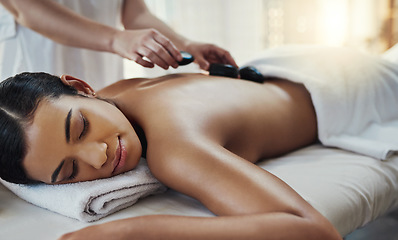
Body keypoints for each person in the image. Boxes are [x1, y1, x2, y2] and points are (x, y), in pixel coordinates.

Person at [7, 44, 398, 239]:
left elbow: (313, 230)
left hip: (347, 87)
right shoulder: (112, 95)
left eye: (80, 129)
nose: (100, 155)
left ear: (80, 87)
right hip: (293, 65)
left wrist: (132, 231)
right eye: (71, 170)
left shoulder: (174, 149)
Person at [0, 0, 237, 89]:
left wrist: (186, 44)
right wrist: (116, 39)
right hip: (33, 64)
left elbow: (135, 14)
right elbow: (26, 8)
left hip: (100, 71)